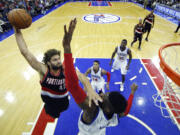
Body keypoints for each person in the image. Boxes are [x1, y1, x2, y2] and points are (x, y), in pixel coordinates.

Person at [62, 18, 138, 135]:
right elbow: (125, 112)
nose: (102, 94)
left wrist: (67, 48)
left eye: (105, 96)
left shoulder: (92, 110)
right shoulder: (113, 116)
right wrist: (132, 93)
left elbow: (72, 86)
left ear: (107, 108)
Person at [14, 22, 90, 118]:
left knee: (66, 108)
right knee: (52, 114)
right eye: (55, 60)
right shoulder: (43, 70)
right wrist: (17, 30)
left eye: (59, 58)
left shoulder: (65, 69)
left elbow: (80, 75)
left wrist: (89, 88)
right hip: (49, 104)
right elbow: (25, 52)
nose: (59, 61)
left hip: (63, 102)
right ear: (48, 63)